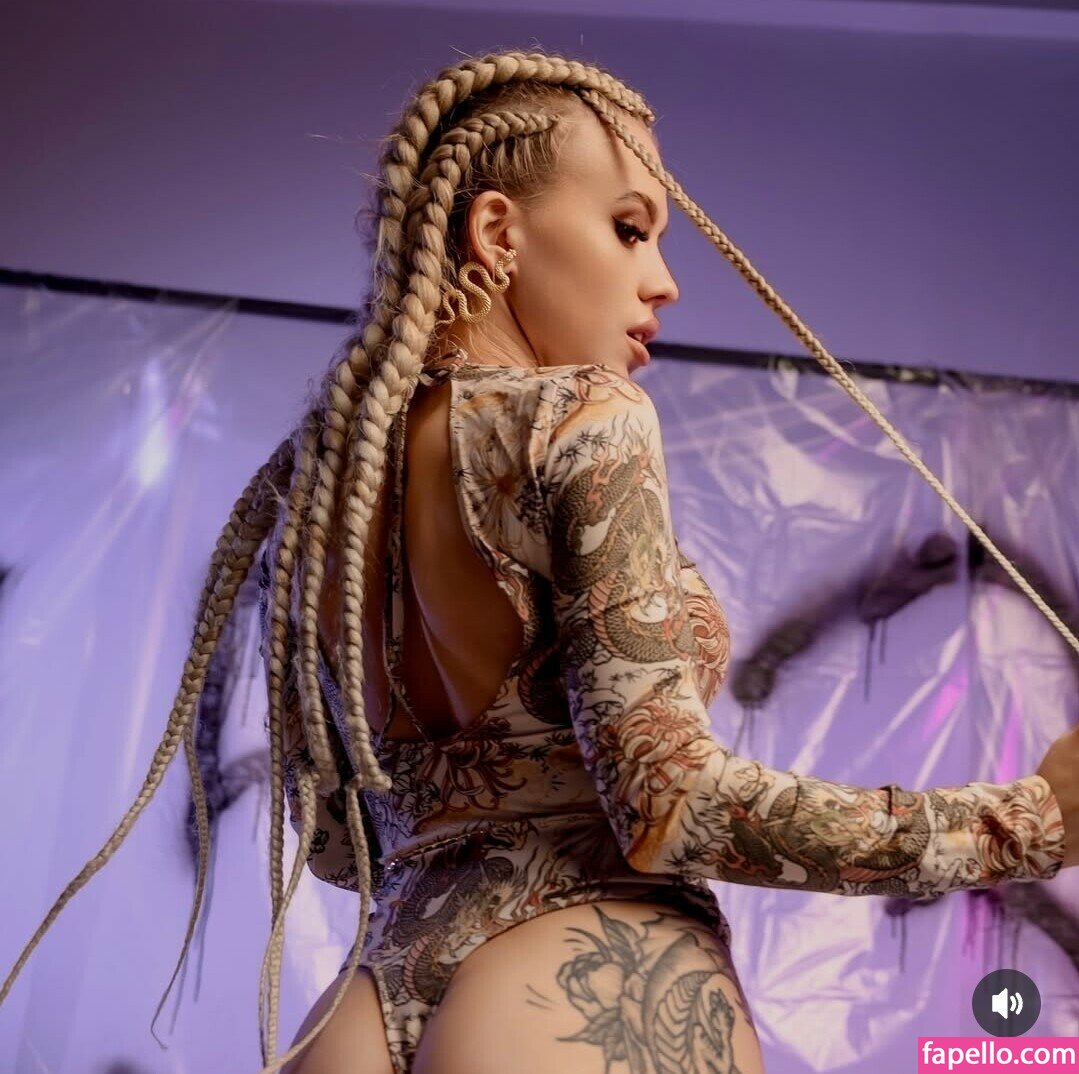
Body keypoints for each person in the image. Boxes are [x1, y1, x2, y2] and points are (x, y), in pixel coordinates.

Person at [2, 47, 1076, 1074]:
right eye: (628, 229)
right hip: (590, 977)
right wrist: (1026, 821)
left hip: (373, 995)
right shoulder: (582, 416)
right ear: (497, 232)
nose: (663, 282)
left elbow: (336, 843)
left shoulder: (327, 489)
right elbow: (669, 804)